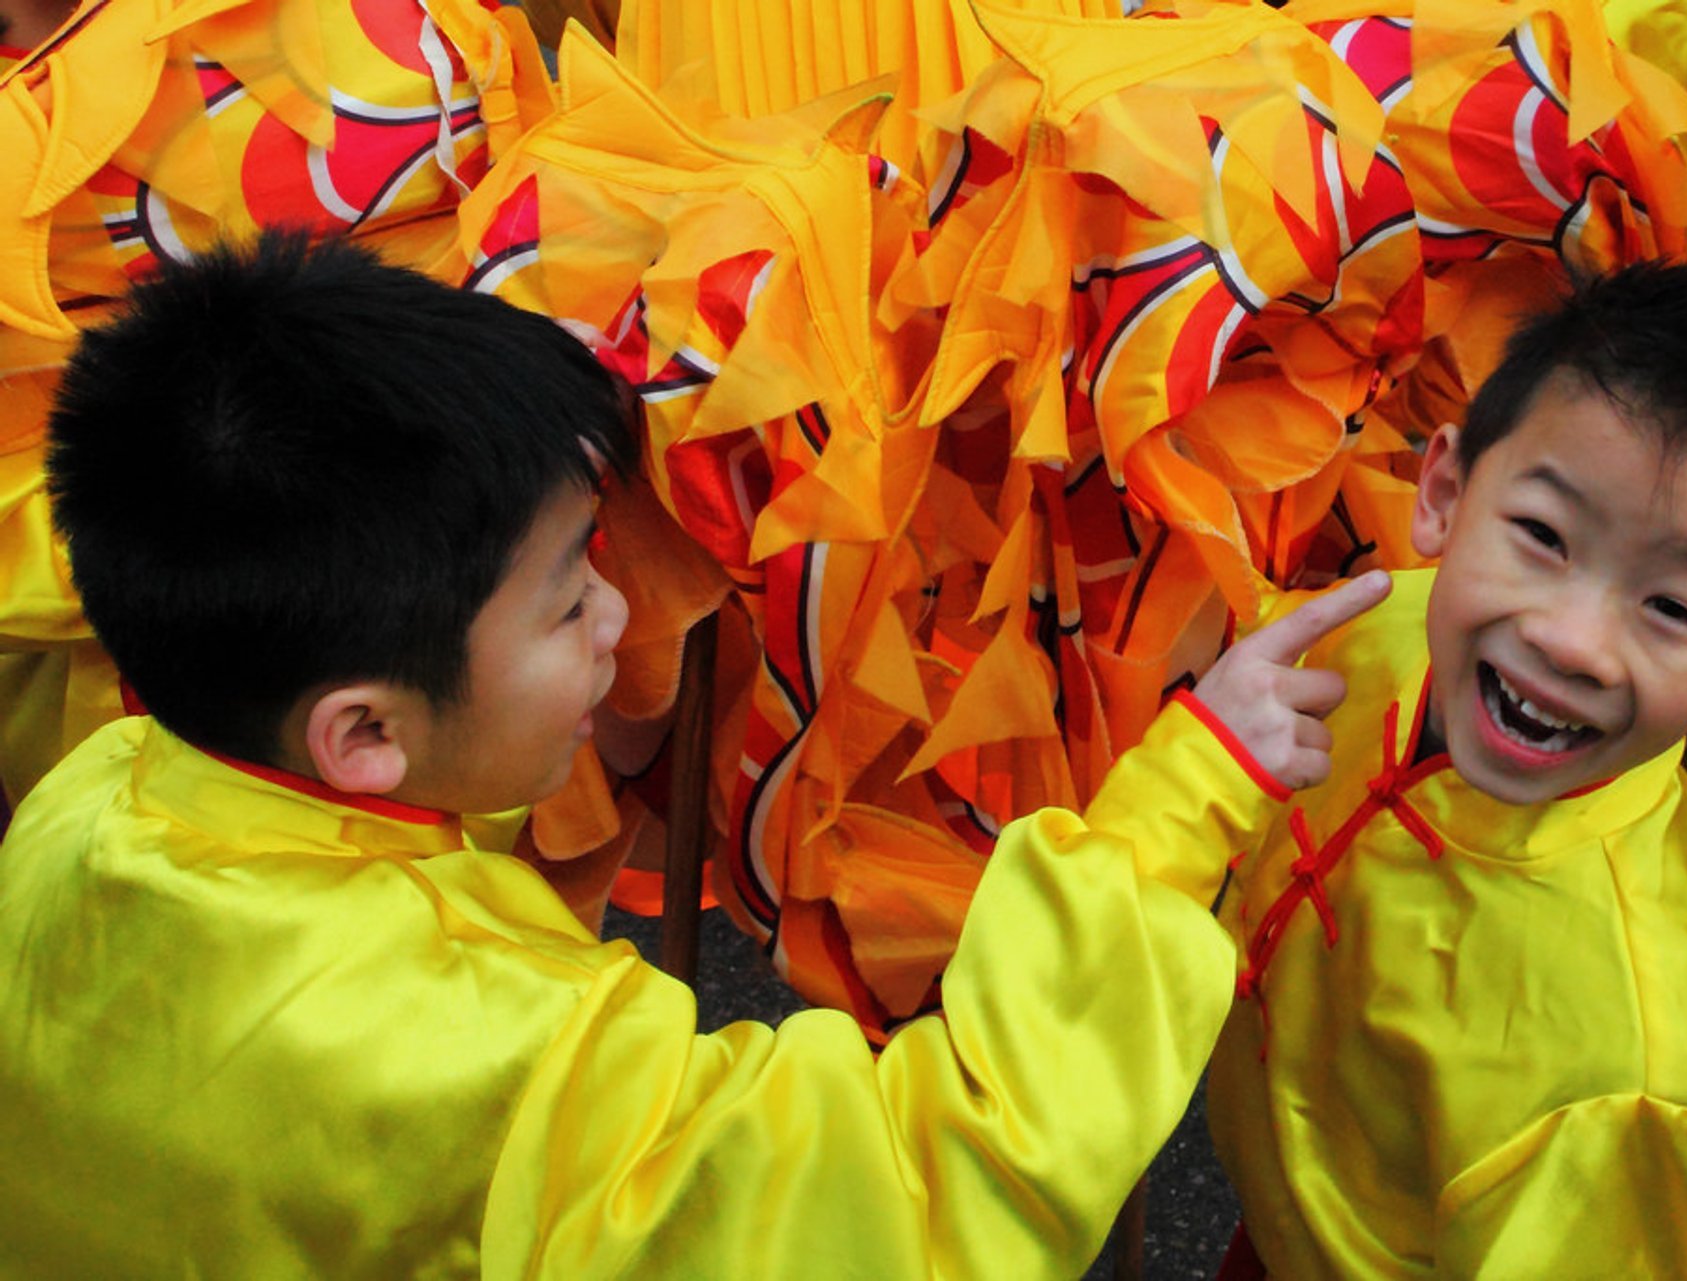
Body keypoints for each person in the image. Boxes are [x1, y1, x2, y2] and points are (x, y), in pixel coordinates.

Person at [0, 231, 1391, 1277]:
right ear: (364, 730)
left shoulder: (84, 802)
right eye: (564, 600)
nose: (618, 618)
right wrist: (1180, 801)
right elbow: (921, 1189)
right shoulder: (505, 1058)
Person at [1205, 228, 1687, 1279]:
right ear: (1443, 494)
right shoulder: (1373, 631)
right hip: (1307, 1204)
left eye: (1668, 605)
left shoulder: (1627, 1089)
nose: (1571, 638)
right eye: (1545, 536)